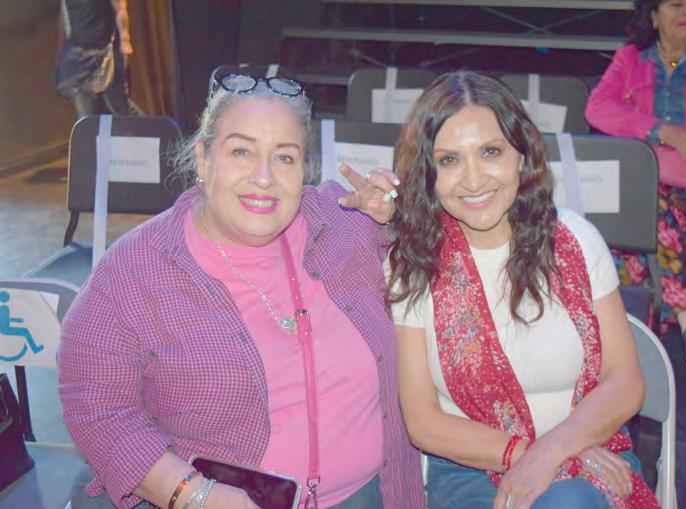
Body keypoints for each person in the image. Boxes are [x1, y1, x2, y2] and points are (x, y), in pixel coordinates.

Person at [58, 73, 425, 509]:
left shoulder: (346, 223)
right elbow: (97, 407)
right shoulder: (136, 269)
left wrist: (402, 217)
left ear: (305, 169)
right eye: (241, 151)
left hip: (369, 495)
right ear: (203, 158)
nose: (264, 177)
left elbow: (446, 261)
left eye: (284, 157)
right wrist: (194, 495)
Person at [387, 70, 658, 509]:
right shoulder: (414, 264)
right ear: (428, 173)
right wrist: (538, 458)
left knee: (568, 502)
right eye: (450, 160)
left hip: (591, 449)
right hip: (471, 471)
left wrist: (558, 451)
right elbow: (423, 422)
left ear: (521, 154)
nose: (474, 179)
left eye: (490, 152)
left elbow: (625, 381)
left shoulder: (575, 240)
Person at [585, 0, 686, 372]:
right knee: (636, 240)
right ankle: (678, 324)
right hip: (645, 184)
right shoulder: (631, 59)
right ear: (654, 15)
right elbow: (596, 108)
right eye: (676, 4)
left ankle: (646, 334)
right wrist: (657, 129)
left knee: (638, 230)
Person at [55, 0, 133, 118]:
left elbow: (120, 8)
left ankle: (153, 128)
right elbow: (64, 18)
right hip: (78, 60)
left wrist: (125, 40)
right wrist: (60, 50)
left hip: (106, 55)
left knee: (120, 109)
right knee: (86, 116)